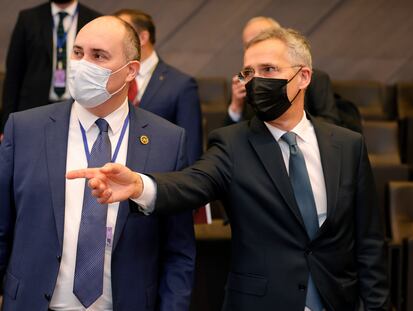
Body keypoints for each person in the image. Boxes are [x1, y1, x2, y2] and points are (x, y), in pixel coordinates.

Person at [68, 27, 390, 311]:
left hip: (337, 300)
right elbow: (193, 182)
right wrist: (140, 186)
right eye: (249, 72)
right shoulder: (233, 143)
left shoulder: (347, 146)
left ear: (303, 77)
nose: (256, 80)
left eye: (269, 69)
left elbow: (369, 241)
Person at [0, 16, 195, 311]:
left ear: (130, 71)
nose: (81, 64)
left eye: (98, 56)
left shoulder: (167, 141)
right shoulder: (25, 128)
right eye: (77, 52)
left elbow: (178, 250)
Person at [0, 0, 101, 137]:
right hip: (34, 107)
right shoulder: (29, 18)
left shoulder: (95, 20)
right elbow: (13, 74)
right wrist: (6, 123)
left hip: (79, 109)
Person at [114, 9, 203, 165]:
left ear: (142, 37)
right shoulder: (111, 78)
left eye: (122, 32)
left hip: (159, 179)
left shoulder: (181, 85)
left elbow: (191, 151)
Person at [225, 16, 341, 127]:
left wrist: (293, 126)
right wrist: (235, 107)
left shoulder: (314, 78)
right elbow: (227, 137)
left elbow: (331, 122)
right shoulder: (242, 78)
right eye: (249, 44)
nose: (258, 46)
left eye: (265, 38)